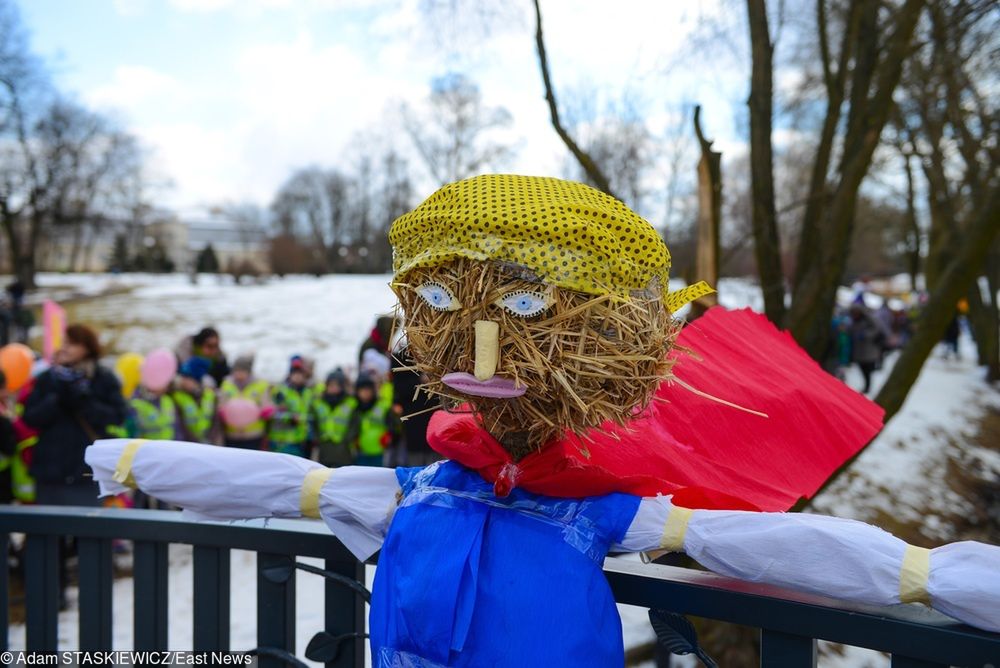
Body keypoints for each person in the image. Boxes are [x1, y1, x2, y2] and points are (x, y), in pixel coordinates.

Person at [23, 324, 126, 608]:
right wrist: (57, 399)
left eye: (72, 342)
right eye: (64, 341)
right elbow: (31, 417)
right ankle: (52, 599)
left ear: (87, 347)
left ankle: (95, 600)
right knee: (49, 542)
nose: (65, 346)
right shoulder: (47, 379)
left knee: (91, 541)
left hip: (86, 474)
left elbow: (117, 415)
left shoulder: (102, 378)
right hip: (51, 474)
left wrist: (83, 400)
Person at [391, 347, 439, 467]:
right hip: (413, 420)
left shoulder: (433, 352)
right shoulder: (400, 357)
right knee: (416, 463)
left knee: (433, 460)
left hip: (432, 417)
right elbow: (400, 389)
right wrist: (419, 380)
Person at [218, 355, 271, 450]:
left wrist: (265, 411)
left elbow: (266, 404)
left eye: (242, 371)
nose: (239, 374)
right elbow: (221, 403)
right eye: (236, 371)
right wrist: (223, 412)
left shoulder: (260, 385)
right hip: (232, 434)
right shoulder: (227, 384)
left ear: (248, 372)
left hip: (253, 434)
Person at [268, 356, 313, 458]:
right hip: (282, 440)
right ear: (290, 375)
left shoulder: (307, 392)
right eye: (295, 374)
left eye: (300, 374)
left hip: (300, 438)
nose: (297, 377)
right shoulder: (282, 391)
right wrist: (290, 417)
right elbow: (277, 410)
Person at [312, 368, 357, 467]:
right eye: (331, 385)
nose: (334, 388)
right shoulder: (318, 403)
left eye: (337, 385)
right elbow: (314, 423)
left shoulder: (351, 403)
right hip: (324, 448)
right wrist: (317, 438)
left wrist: (347, 439)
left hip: (343, 450)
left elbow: (354, 424)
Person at [345, 374, 393, 467]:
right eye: (362, 390)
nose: (366, 393)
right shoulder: (354, 408)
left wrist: (388, 437)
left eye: (368, 389)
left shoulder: (382, 406)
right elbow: (351, 427)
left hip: (379, 450)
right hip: (360, 451)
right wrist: (354, 440)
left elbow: (392, 425)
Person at [172, 358, 218, 444]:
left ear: (197, 380)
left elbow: (215, 422)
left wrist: (212, 440)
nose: (183, 380)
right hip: (188, 444)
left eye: (187, 377)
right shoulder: (177, 396)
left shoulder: (210, 395)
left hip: (208, 443)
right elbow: (180, 425)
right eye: (182, 376)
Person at [849, 304, 887, 394]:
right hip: (859, 350)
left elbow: (876, 329)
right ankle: (866, 386)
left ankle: (867, 387)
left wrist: (865, 335)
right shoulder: (853, 321)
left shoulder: (869, 320)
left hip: (869, 350)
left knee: (867, 370)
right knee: (862, 368)